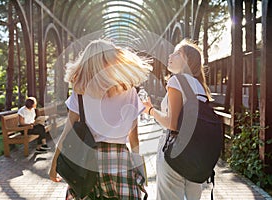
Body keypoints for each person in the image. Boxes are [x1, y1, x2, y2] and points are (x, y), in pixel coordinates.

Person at [49, 39, 152, 199]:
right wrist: (140, 168)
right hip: (120, 161)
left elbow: (68, 132)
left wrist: (55, 162)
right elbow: (134, 138)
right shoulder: (129, 90)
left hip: (87, 161)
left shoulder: (80, 93)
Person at [142, 39, 212, 200]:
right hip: (197, 154)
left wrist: (151, 110)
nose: (170, 55)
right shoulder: (200, 86)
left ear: (187, 62)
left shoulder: (177, 80)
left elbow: (172, 124)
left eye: (177, 53)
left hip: (174, 152)